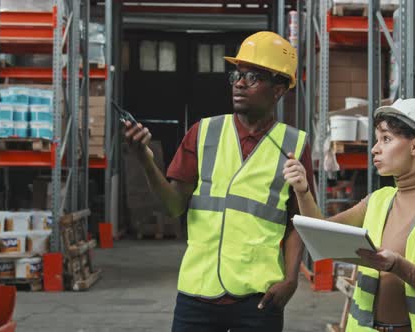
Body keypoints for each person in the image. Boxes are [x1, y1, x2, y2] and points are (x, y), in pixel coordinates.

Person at [124, 31, 316, 332]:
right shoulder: (203, 133)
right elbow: (174, 206)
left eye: (252, 77)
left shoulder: (294, 145)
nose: (239, 83)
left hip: (259, 295)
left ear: (278, 89)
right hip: (198, 291)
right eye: (237, 75)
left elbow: (298, 221)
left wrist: (291, 279)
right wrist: (145, 159)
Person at [283, 98, 415, 332]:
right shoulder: (378, 200)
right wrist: (303, 191)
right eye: (377, 140)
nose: (375, 148)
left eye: (386, 139)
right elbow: (320, 231)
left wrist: (398, 265)